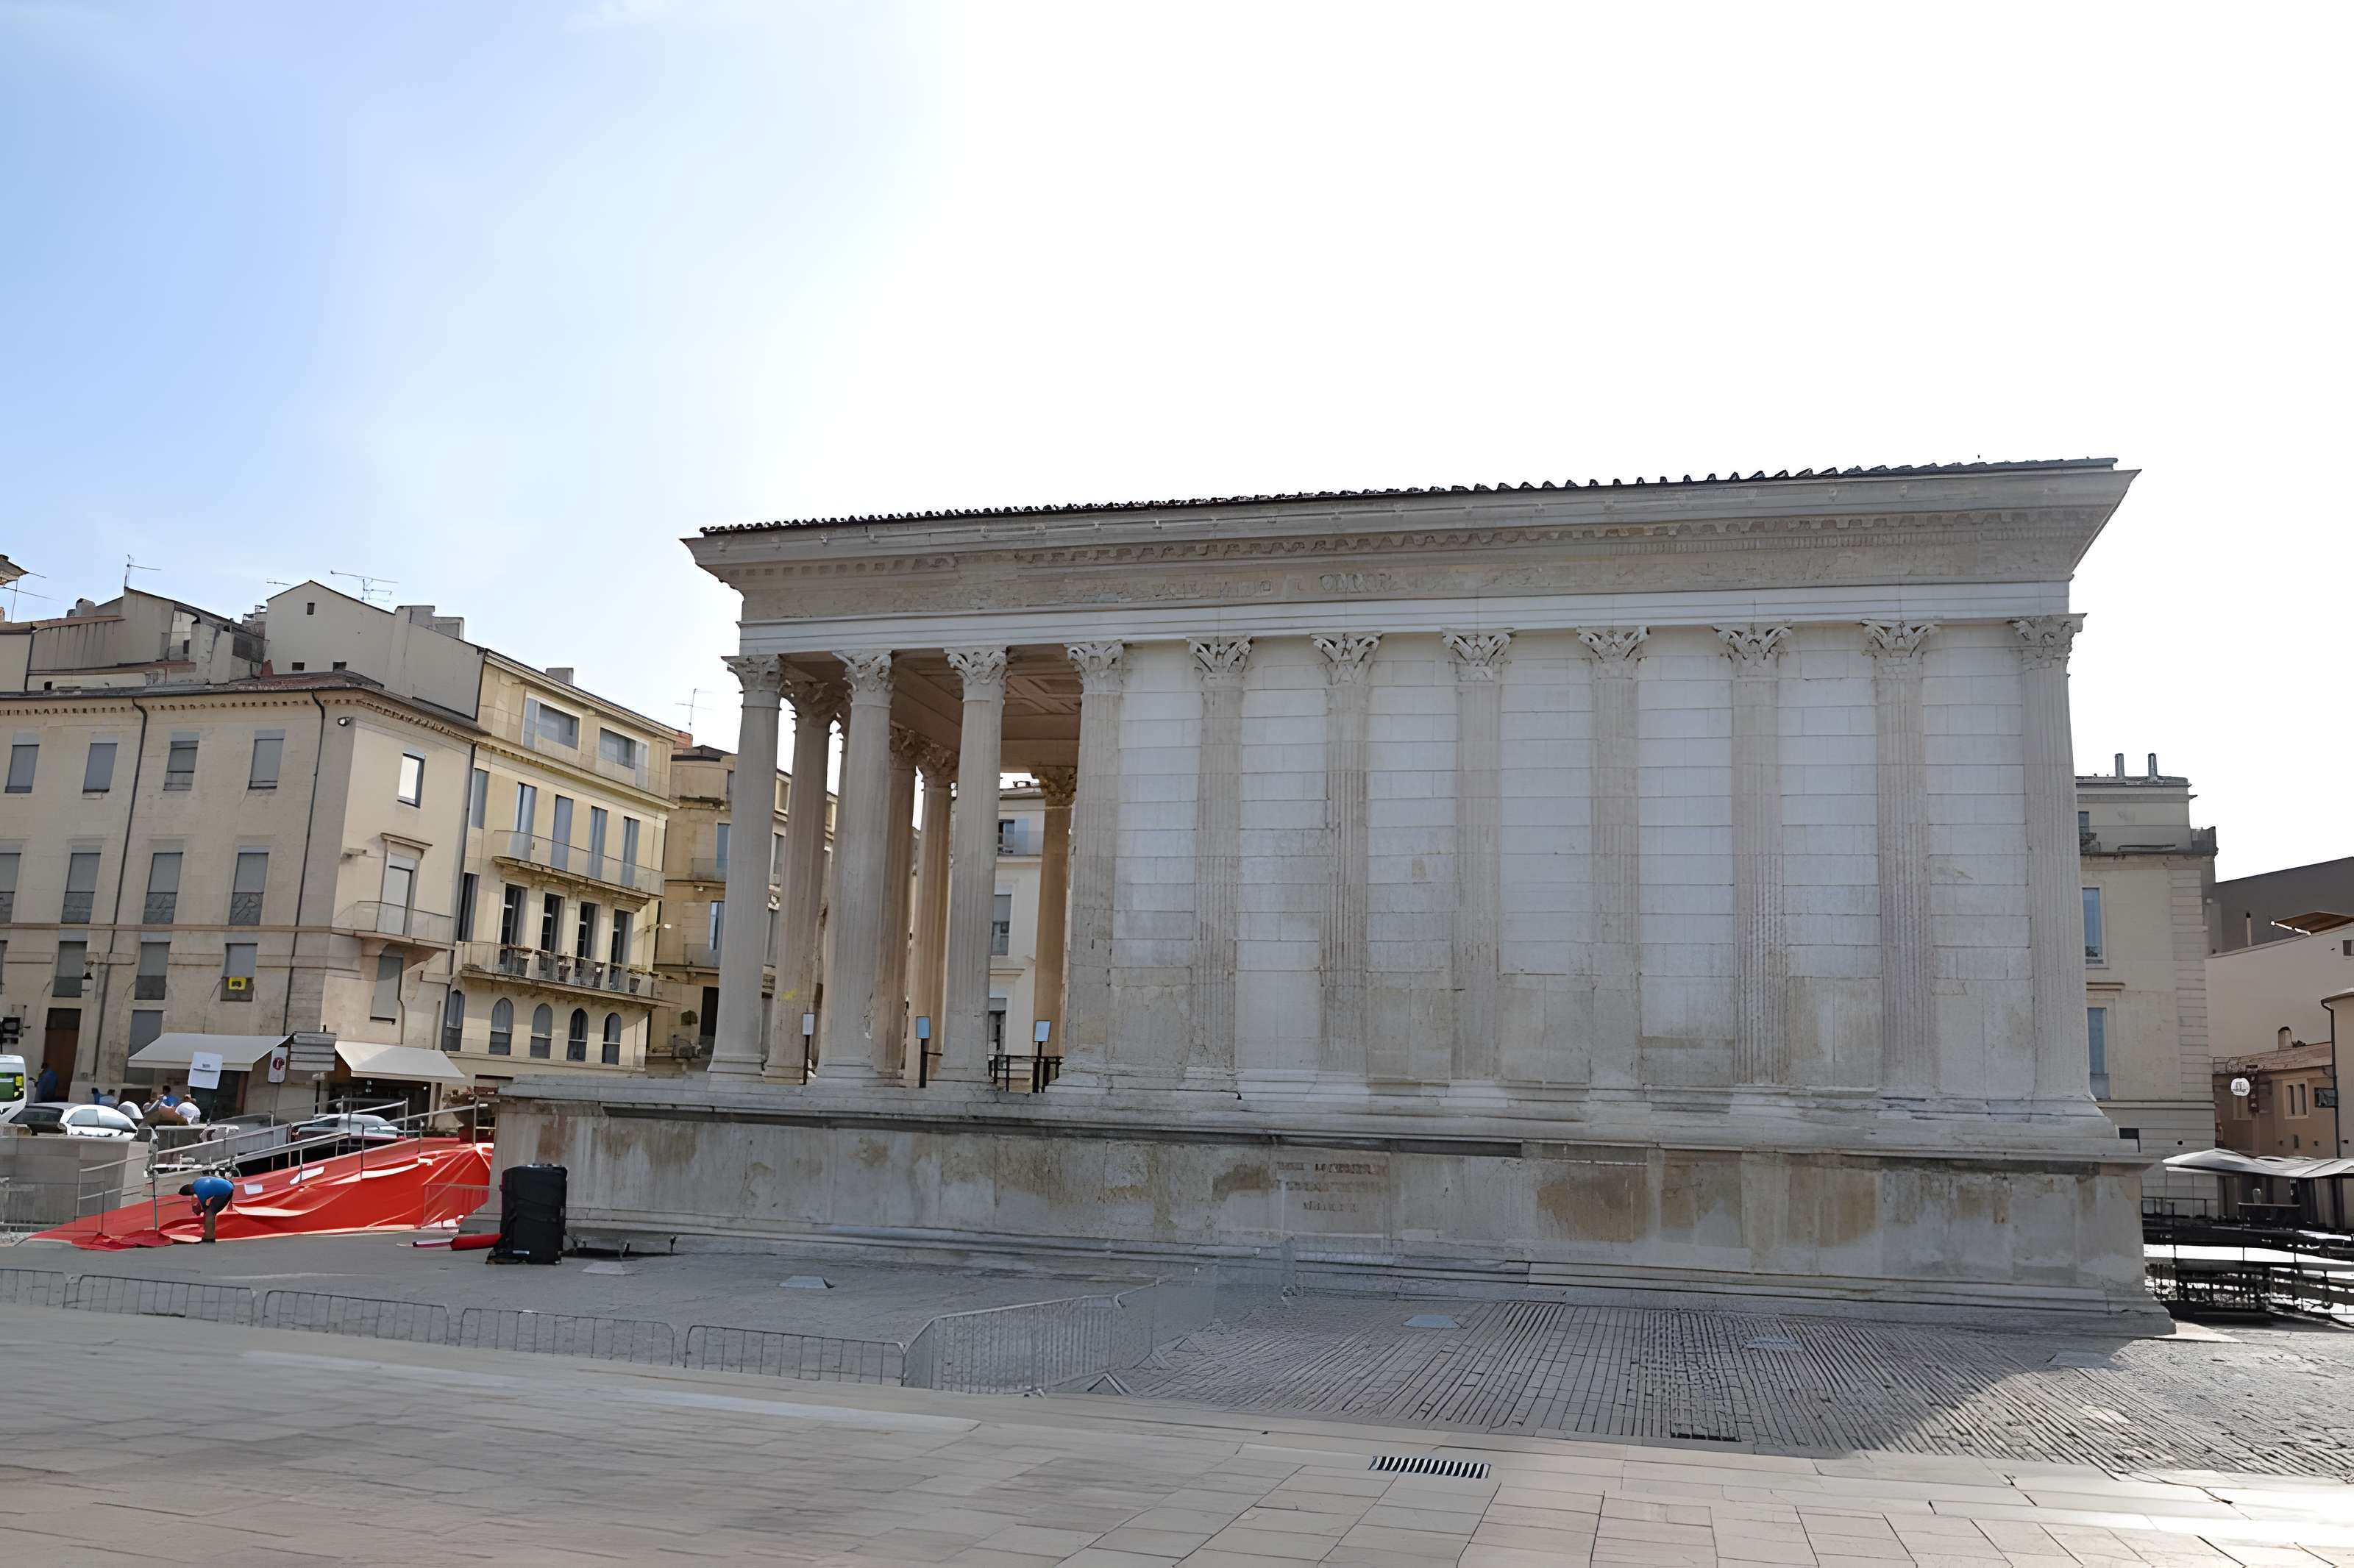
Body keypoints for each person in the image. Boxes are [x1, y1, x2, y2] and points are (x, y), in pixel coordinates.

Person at [180, 1176, 234, 1244]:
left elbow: (203, 1207)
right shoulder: (197, 1182)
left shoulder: (200, 1192)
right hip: (228, 1184)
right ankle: (209, 1232)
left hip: (226, 1191)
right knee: (210, 1210)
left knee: (210, 1213)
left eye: (191, 1194)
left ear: (191, 1191)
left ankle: (209, 1238)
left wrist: (198, 1212)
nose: (193, 1195)